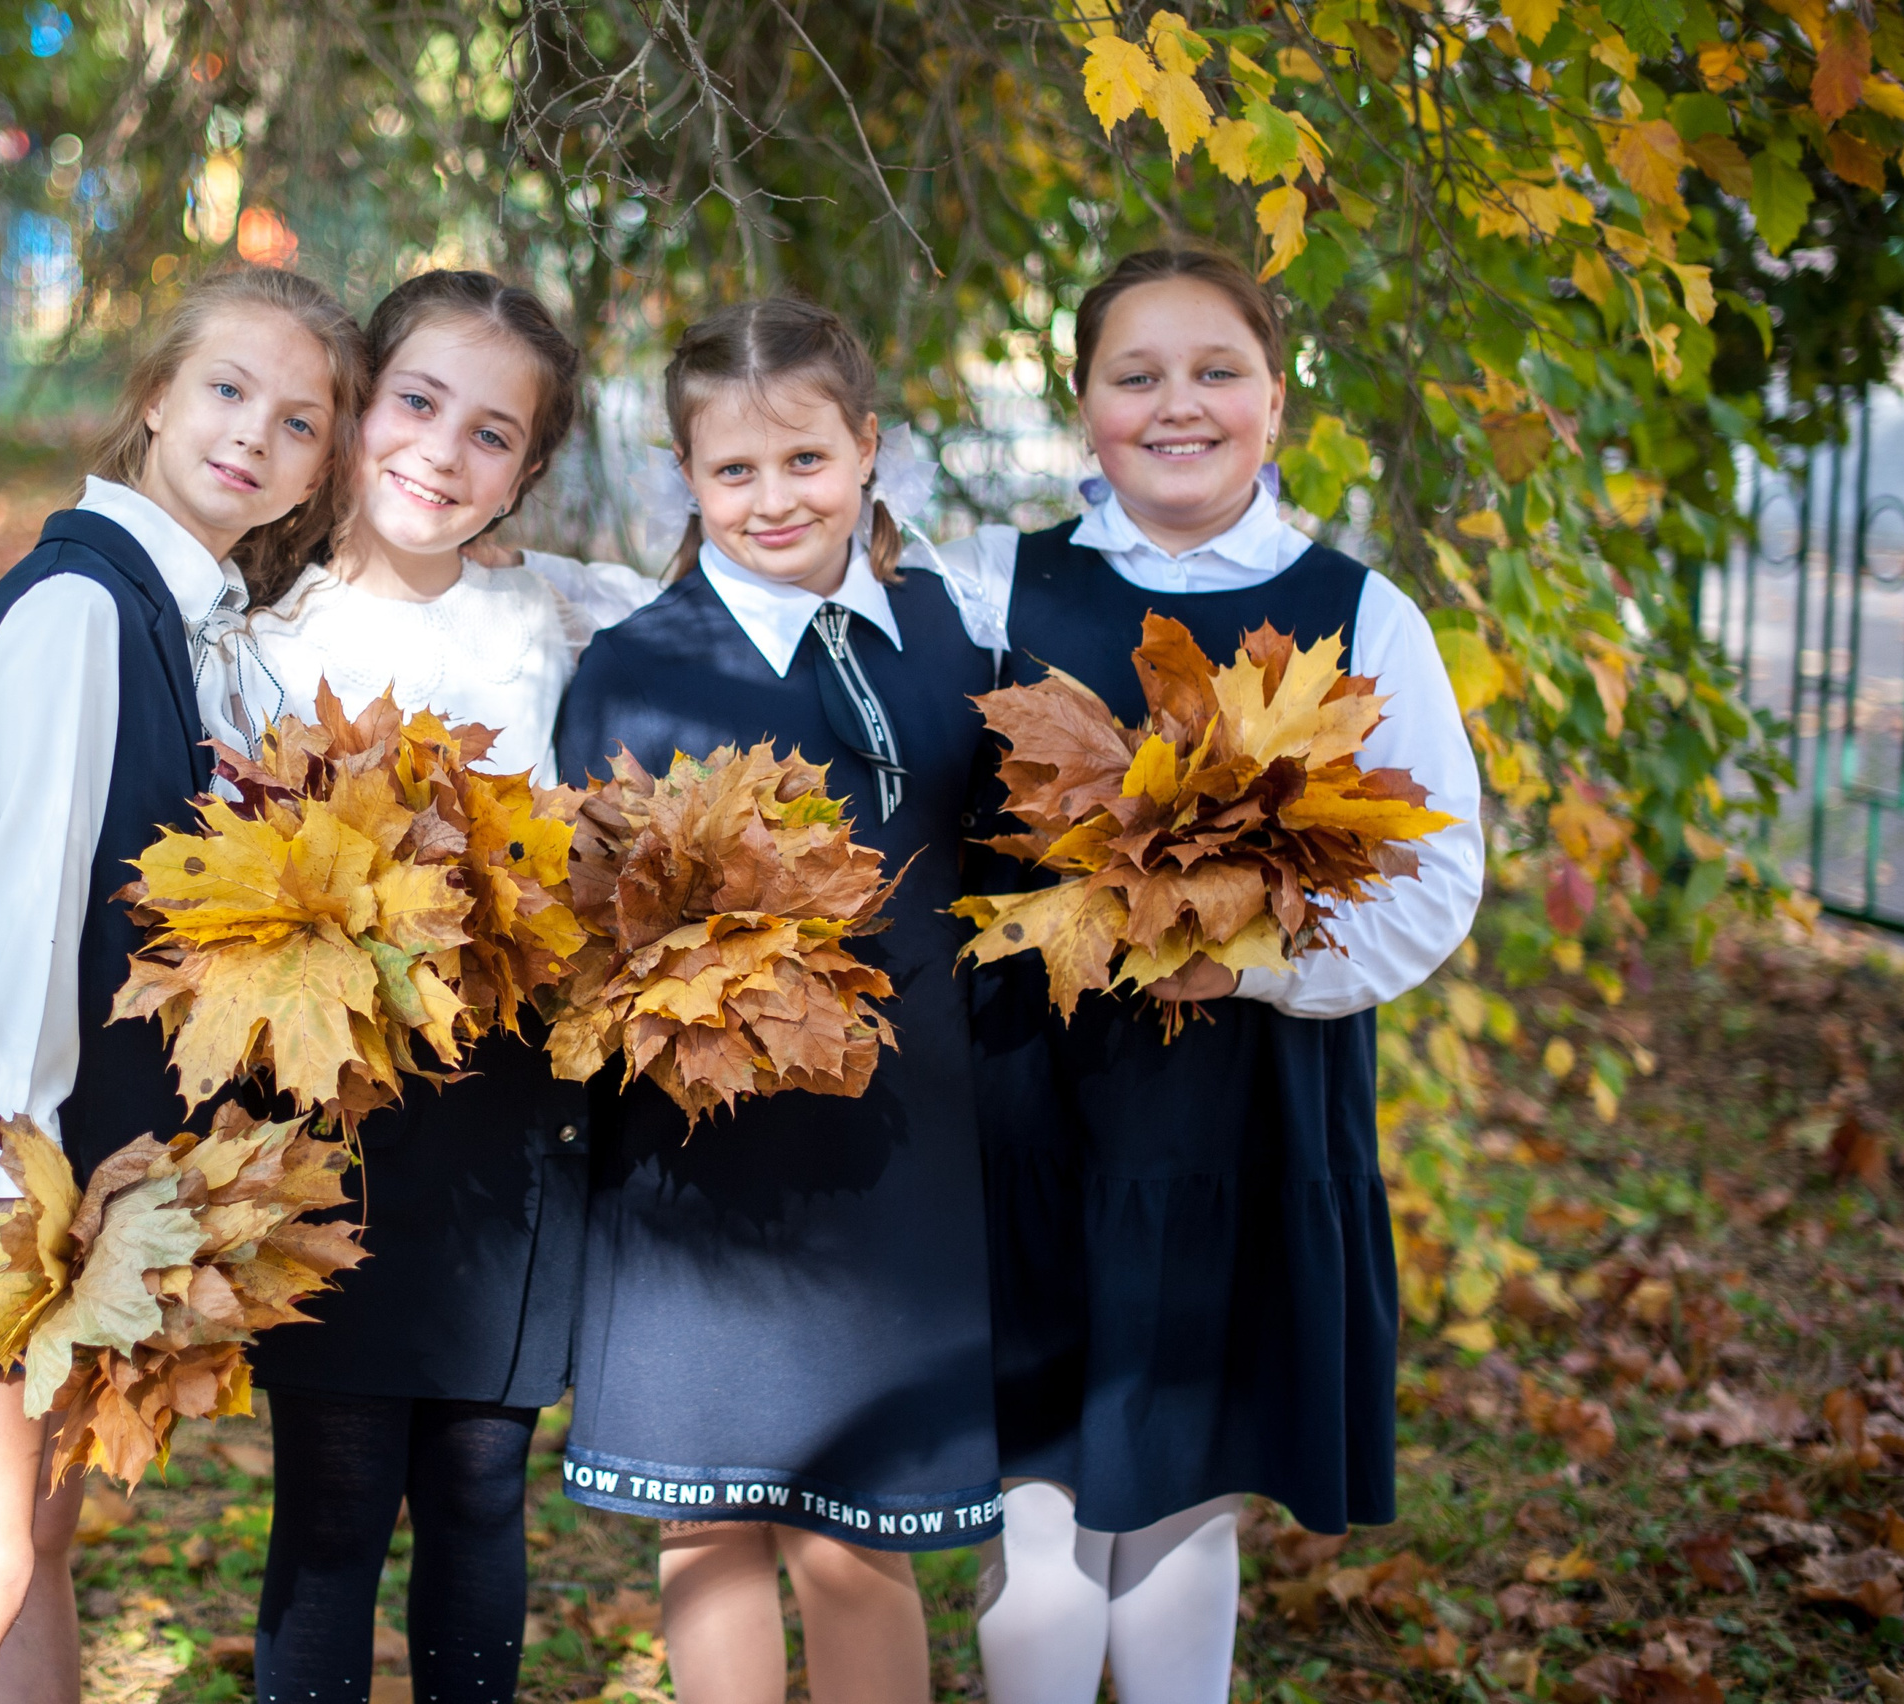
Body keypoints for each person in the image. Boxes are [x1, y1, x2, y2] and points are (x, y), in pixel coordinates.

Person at [0, 266, 366, 1704]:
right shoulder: (81, 612)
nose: (254, 434)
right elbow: (24, 910)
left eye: (298, 421)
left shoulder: (189, 626)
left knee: (42, 1534)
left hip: (78, 1149)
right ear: (154, 397)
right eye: (227, 390)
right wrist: (14, 1186)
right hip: (5, 1161)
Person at [951, 246, 1484, 1704]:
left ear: (1275, 397)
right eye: (1136, 377)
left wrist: (1247, 965)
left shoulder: (1358, 614)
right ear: (1084, 409)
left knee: (1188, 1499)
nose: (1176, 406)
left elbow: (1439, 880)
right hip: (1030, 1112)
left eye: (1214, 372)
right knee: (1040, 1530)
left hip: (1249, 1111)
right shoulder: (992, 582)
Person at [552, 297, 1006, 1704]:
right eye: (734, 472)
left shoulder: (947, 642)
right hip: (704, 1161)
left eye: (805, 460)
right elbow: (590, 919)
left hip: (903, 1152)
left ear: (867, 448)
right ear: (684, 478)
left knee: (862, 1538)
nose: (773, 499)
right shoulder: (636, 666)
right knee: (711, 1525)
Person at [233, 268, 654, 1704]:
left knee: (480, 1483)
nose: (440, 450)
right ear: (355, 408)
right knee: (338, 1496)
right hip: (332, 1110)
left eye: (492, 433)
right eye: (416, 402)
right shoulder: (256, 638)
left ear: (529, 471)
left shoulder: (565, 620)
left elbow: (754, 580)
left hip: (511, 1115)